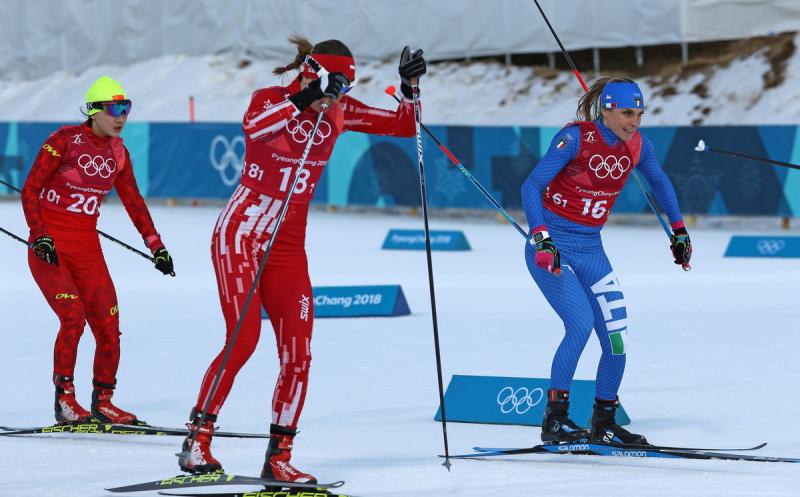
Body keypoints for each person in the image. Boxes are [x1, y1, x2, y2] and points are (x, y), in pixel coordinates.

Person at [178, 36, 427, 482]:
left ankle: (279, 455)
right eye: (335, 83)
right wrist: (309, 95)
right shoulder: (271, 99)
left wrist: (409, 89)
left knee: (299, 351)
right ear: (311, 71)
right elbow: (256, 128)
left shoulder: (340, 112)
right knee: (244, 339)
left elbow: (404, 127)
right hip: (243, 232)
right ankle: (197, 440)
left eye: (346, 87)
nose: (339, 95)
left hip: (288, 243)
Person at [520, 77, 692, 445]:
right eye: (628, 113)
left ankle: (605, 421)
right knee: (579, 326)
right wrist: (541, 238)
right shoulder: (576, 137)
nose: (634, 122)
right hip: (554, 247)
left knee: (616, 339)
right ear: (607, 109)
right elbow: (531, 185)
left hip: (591, 249)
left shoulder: (637, 146)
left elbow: (659, 182)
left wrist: (679, 230)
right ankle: (556, 421)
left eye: (640, 115)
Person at [21, 76, 174, 425]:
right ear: (93, 111)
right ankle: (64, 400)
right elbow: (31, 190)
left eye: (127, 108)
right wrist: (39, 234)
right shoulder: (64, 141)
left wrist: (157, 246)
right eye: (114, 109)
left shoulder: (119, 152)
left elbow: (134, 203)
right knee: (73, 317)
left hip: (87, 248)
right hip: (51, 247)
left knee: (108, 325)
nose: (122, 117)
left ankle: (103, 401)